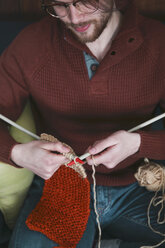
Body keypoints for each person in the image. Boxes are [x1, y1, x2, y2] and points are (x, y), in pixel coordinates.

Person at [0, 0, 165, 247]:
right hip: (58, 186)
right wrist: (17, 153)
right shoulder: (32, 44)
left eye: (85, 2)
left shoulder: (158, 42)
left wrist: (140, 143)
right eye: (60, 5)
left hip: (140, 186)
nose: (75, 17)